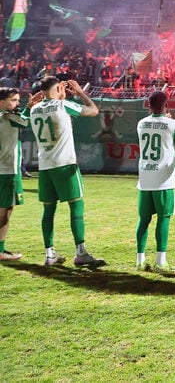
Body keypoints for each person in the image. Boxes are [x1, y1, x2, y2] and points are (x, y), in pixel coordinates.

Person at [28, 77, 105, 268]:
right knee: (76, 206)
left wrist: (59, 96)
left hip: (45, 167)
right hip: (65, 165)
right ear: (57, 88)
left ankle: (50, 255)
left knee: (48, 211)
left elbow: (47, 109)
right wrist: (79, 92)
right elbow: (93, 110)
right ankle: (81, 253)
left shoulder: (34, 109)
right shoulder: (63, 106)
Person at [135, 90, 175, 272]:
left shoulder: (141, 123)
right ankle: (161, 261)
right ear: (166, 105)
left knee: (143, 220)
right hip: (163, 179)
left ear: (148, 105)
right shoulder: (172, 124)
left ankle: (140, 260)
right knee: (163, 218)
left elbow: (156, 127)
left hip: (145, 178)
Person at [0, 87, 27, 261]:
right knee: (5, 211)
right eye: (13, 100)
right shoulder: (8, 117)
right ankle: (0, 250)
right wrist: (30, 107)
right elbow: (26, 122)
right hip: (7, 171)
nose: (17, 103)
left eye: (18, 100)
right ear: (1, 102)